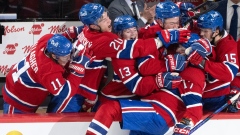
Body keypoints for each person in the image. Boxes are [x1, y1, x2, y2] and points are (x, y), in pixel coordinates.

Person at [73, 3, 190, 112]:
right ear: (94, 25)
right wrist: (162, 42)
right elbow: (134, 53)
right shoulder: (107, 43)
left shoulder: (87, 30)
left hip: (83, 86)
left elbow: (142, 33)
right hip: (86, 93)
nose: (109, 20)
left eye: (107, 16)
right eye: (104, 20)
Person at [2, 34, 92, 113]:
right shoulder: (48, 71)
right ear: (54, 56)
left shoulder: (46, 39)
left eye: (69, 54)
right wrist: (79, 68)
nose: (68, 59)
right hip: (17, 101)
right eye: (64, 57)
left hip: (18, 85)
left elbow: (60, 39)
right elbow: (65, 93)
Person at [189, 10, 239, 112]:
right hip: (201, 91)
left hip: (216, 97)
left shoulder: (228, 45)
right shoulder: (209, 35)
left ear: (216, 31)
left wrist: (202, 62)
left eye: (205, 31)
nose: (201, 34)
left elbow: (229, 72)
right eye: (201, 30)